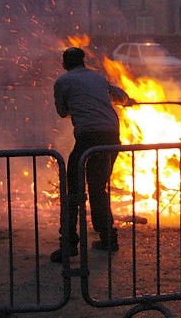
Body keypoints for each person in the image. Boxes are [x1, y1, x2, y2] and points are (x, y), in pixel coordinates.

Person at [50, 47, 134, 263]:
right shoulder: (97, 77)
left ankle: (69, 245)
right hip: (111, 136)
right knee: (98, 188)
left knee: (73, 190)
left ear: (64, 64)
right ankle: (108, 238)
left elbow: (62, 111)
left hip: (88, 138)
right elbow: (121, 97)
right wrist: (128, 102)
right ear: (83, 61)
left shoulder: (62, 82)